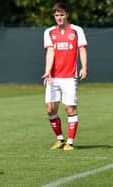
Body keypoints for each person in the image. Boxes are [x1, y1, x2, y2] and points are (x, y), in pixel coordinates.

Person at [42, 2, 88, 151]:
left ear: (67, 15)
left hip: (69, 76)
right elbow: (50, 52)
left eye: (62, 14)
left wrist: (84, 68)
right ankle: (60, 139)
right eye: (56, 15)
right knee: (50, 109)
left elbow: (82, 50)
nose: (59, 17)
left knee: (70, 108)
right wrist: (47, 71)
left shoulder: (76, 30)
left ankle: (70, 142)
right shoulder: (49, 32)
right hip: (53, 77)